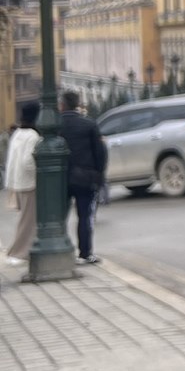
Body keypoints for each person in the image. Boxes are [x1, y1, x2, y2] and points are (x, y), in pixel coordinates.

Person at [58, 91, 107, 265]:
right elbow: (100, 152)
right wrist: (99, 175)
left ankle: (60, 250)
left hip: (61, 179)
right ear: (77, 105)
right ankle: (85, 253)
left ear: (62, 105)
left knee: (59, 217)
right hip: (86, 178)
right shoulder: (89, 124)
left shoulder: (56, 126)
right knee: (85, 217)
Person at [5, 101, 40, 264]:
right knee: (28, 221)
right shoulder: (33, 136)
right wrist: (38, 172)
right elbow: (28, 162)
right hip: (29, 183)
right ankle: (18, 253)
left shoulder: (18, 132)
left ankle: (18, 251)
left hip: (17, 182)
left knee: (24, 219)